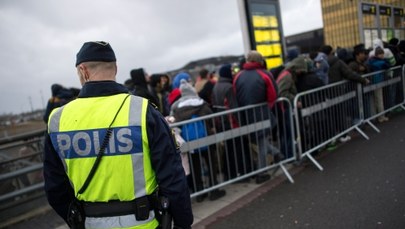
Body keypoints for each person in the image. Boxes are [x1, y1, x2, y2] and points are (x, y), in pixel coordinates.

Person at [43, 41, 193, 229]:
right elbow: (172, 177)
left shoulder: (57, 120)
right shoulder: (143, 111)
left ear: (83, 70)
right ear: (115, 68)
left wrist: (78, 219)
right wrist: (183, 223)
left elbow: (55, 188)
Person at [170, 79, 226, 202]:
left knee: (195, 166)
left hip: (189, 141)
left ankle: (200, 192)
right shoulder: (201, 103)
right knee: (211, 163)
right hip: (206, 137)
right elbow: (211, 119)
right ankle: (213, 189)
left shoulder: (176, 107)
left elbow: (174, 123)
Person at [233, 50, 282, 184]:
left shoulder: (238, 76)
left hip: (245, 115)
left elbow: (235, 96)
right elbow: (273, 95)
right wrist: (268, 107)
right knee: (261, 143)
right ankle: (262, 172)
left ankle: (276, 153)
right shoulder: (265, 74)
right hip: (262, 112)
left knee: (259, 141)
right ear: (259, 60)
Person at [212, 64, 252, 180]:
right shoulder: (229, 87)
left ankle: (230, 174)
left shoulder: (216, 86)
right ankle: (242, 173)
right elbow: (234, 107)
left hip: (222, 122)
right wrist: (241, 123)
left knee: (229, 150)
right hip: (231, 123)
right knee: (238, 149)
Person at [367, 47, 390, 123]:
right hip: (378, 81)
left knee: (373, 100)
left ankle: (374, 116)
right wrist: (385, 60)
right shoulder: (381, 62)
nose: (383, 56)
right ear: (378, 54)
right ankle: (381, 117)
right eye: (382, 54)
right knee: (379, 99)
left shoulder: (370, 61)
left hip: (371, 81)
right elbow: (387, 65)